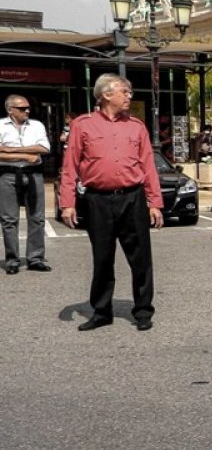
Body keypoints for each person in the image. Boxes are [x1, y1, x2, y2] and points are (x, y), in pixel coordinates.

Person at [58, 74, 163, 330]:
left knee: (140, 259)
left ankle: (143, 311)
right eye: (124, 92)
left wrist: (155, 202)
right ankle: (102, 312)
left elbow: (148, 165)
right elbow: (70, 165)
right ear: (106, 94)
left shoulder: (137, 126)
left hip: (132, 198)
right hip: (98, 200)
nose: (129, 96)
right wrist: (67, 203)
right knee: (102, 258)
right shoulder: (83, 125)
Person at [0, 94, 50, 274]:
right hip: (8, 174)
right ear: (10, 110)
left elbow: (44, 149)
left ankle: (35, 258)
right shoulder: (0, 125)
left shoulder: (36, 126)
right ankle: (12, 260)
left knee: (37, 217)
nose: (27, 111)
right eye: (22, 108)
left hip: (33, 174)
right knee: (9, 219)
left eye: (28, 108)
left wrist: (7, 149)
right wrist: (27, 155)